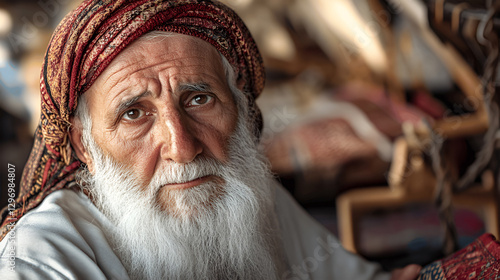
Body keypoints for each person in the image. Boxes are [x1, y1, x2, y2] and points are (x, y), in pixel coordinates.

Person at [0, 0, 421, 279]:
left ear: (240, 108)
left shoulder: (242, 195)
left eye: (199, 99)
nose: (182, 147)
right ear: (83, 146)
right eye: (133, 114)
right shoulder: (41, 258)